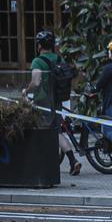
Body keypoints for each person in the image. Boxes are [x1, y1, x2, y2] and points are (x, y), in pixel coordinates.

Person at [27, 30, 82, 176]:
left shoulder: (37, 61)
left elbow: (36, 81)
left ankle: (41, 162)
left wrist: (26, 91)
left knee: (41, 131)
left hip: (42, 102)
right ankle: (72, 160)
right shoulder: (59, 60)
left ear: (39, 46)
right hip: (57, 101)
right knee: (56, 131)